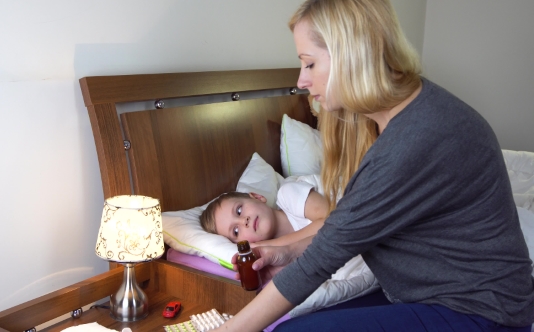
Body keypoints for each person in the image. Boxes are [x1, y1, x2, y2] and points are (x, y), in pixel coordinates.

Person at [213, 0, 534, 331]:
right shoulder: (398, 116)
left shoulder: (416, 138)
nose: (301, 81)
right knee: (307, 317)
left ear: (350, 55)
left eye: (309, 64)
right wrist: (289, 250)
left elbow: (324, 258)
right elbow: (349, 228)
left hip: (483, 312)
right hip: (434, 293)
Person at [199, 181, 329, 247]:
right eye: (236, 231)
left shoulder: (288, 194)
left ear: (257, 197)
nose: (244, 221)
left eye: (239, 210)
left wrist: (270, 246)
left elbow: (333, 221)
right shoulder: (282, 260)